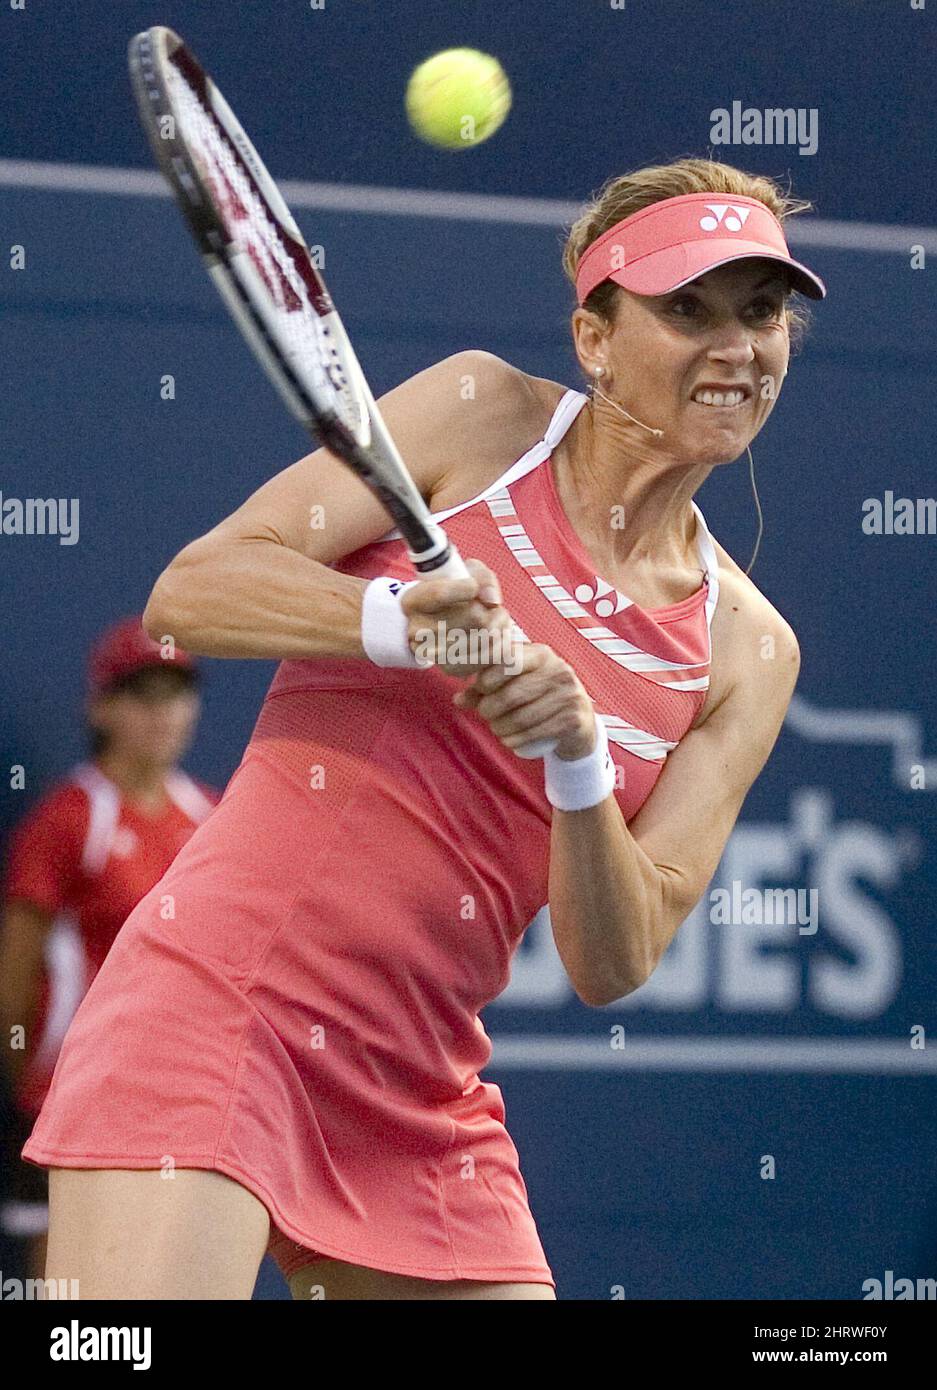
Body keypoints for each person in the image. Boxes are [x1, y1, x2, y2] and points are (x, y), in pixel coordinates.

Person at [21, 157, 826, 1301]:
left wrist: (577, 761)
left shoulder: (749, 651)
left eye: (761, 311)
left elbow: (613, 958)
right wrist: (399, 622)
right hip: (219, 1002)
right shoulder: (483, 415)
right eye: (687, 310)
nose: (736, 345)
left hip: (420, 1087)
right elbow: (192, 591)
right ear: (594, 340)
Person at [0, 616, 217, 1283]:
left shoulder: (212, 818)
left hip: (176, 1105)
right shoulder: (68, 820)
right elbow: (13, 977)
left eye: (176, 696)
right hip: (68, 1101)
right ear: (102, 707)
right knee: (63, 1287)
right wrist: (35, 1089)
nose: (163, 714)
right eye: (142, 696)